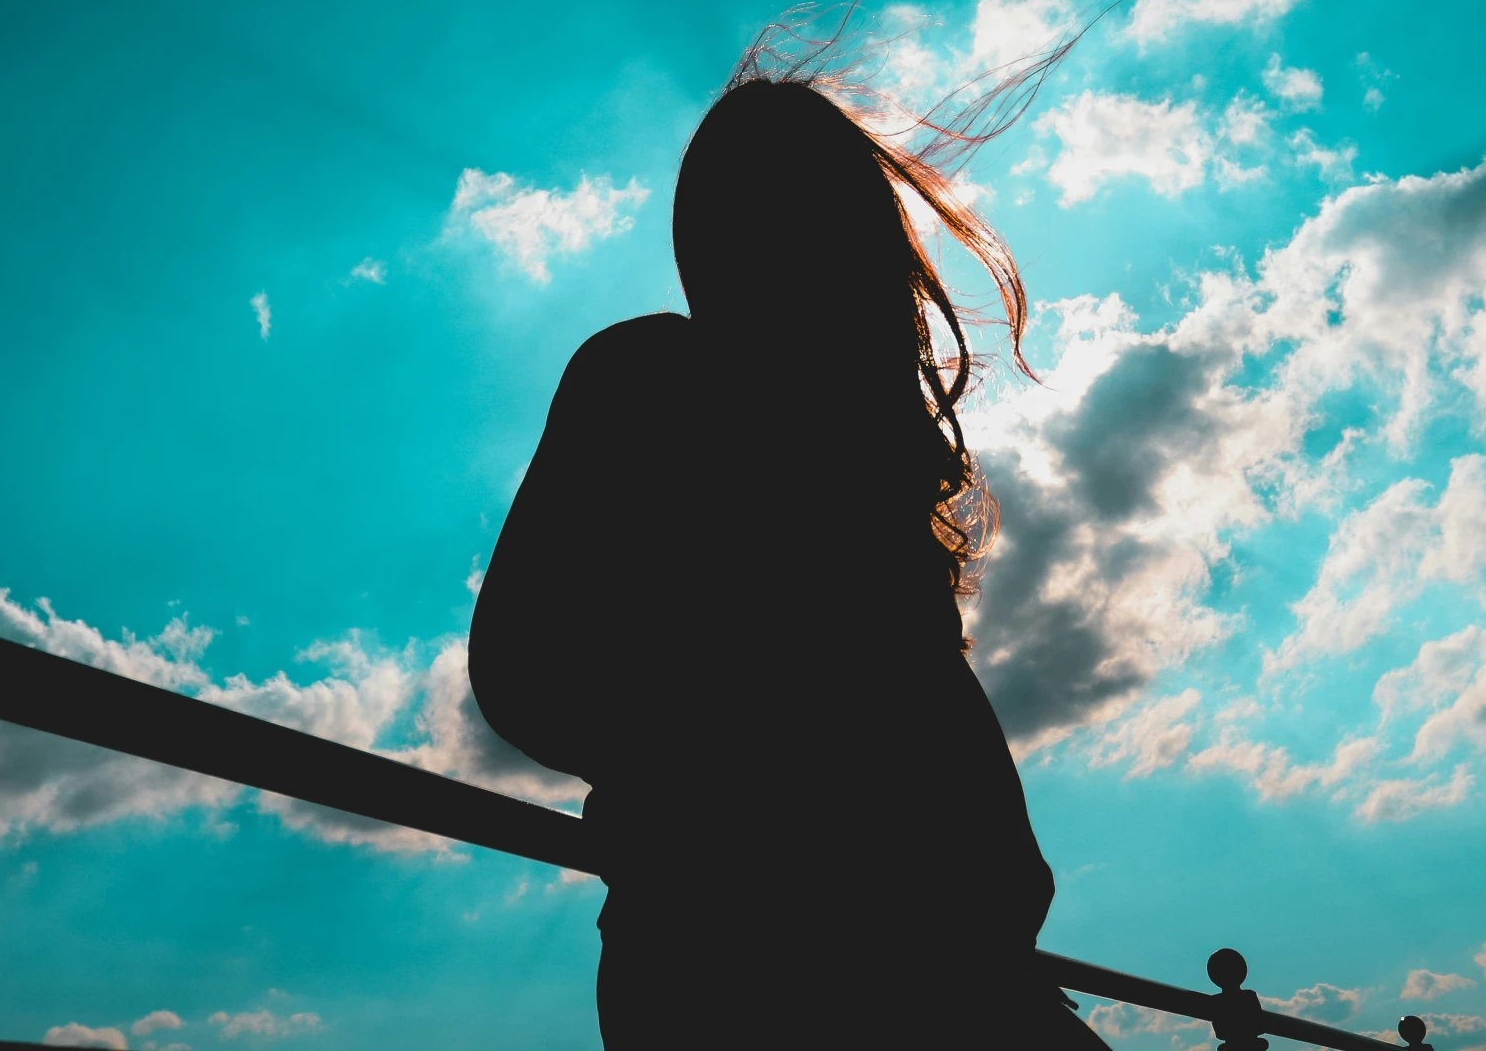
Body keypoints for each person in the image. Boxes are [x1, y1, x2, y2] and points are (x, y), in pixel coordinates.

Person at [470, 69, 1106, 1048]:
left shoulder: (864, 477)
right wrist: (743, 795)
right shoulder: (654, 378)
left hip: (923, 965)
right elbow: (520, 672)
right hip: (762, 957)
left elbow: (951, 745)